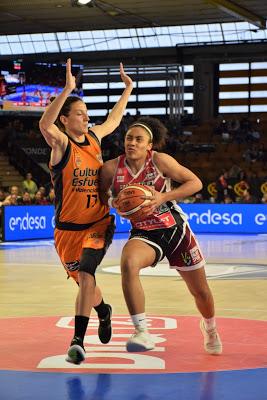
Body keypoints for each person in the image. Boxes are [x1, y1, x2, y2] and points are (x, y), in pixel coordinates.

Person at [100, 116, 222, 355]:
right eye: (128, 138)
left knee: (201, 292)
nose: (132, 143)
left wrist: (163, 197)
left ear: (149, 145)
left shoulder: (160, 161)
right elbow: (99, 196)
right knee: (128, 261)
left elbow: (195, 182)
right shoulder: (111, 168)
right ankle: (141, 331)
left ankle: (210, 327)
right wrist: (113, 201)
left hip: (175, 230)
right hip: (145, 232)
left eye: (138, 139)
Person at [39, 58, 133, 364]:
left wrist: (127, 90)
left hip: (97, 224)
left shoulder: (94, 138)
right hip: (66, 230)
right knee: (85, 284)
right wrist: (67, 89)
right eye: (80, 114)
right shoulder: (61, 145)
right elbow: (43, 124)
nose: (86, 118)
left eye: (86, 113)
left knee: (88, 273)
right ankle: (103, 310)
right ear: (65, 120)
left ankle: (77, 340)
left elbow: (114, 121)